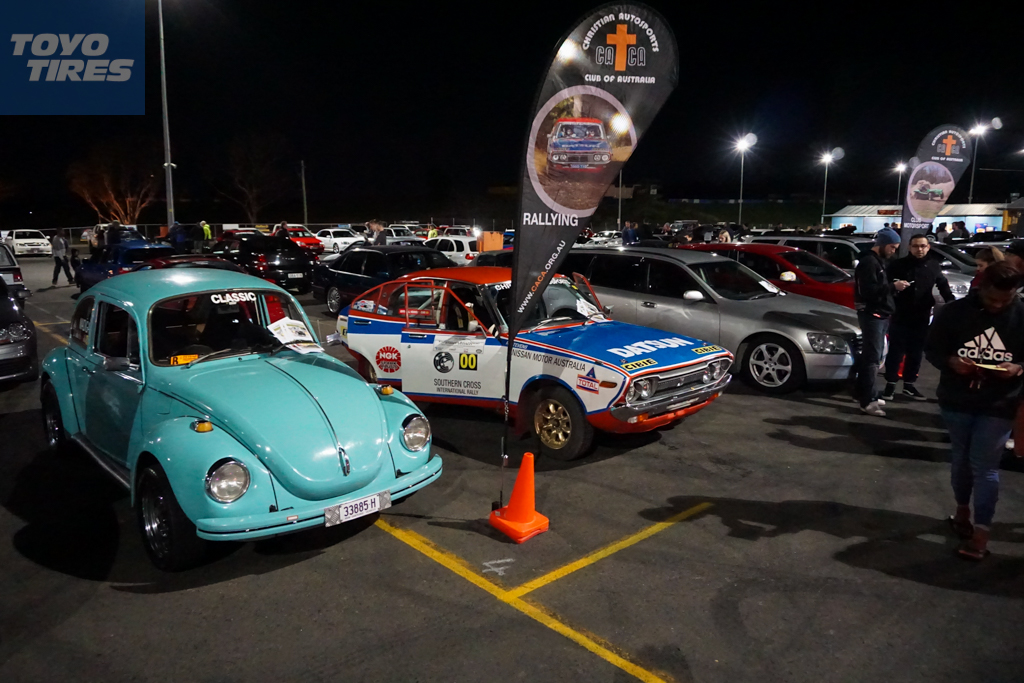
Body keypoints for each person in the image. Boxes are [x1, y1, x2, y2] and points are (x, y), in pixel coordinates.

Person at [925, 261, 1024, 559]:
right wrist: (951, 362)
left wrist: (1018, 367)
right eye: (992, 299)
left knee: (985, 467)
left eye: (1005, 301)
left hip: (1000, 403)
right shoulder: (954, 312)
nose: (997, 306)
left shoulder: (1022, 315)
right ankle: (962, 513)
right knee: (961, 461)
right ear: (980, 288)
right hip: (957, 400)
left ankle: (981, 533)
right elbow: (932, 349)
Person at [882, 234, 955, 401]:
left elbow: (942, 284)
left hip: (921, 316)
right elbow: (884, 287)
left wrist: (951, 302)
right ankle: (890, 385)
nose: (919, 249)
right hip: (900, 314)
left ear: (928, 247)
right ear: (909, 248)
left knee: (916, 352)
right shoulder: (897, 265)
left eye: (923, 246)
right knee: (896, 352)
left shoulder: (933, 265)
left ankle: (909, 385)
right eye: (915, 246)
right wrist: (895, 288)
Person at [853, 227, 909, 416]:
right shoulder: (869, 262)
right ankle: (867, 401)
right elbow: (869, 291)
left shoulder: (877, 261)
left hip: (880, 314)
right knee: (872, 359)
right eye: (893, 247)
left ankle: (867, 394)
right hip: (873, 315)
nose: (894, 251)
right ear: (883, 244)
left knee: (873, 358)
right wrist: (893, 286)